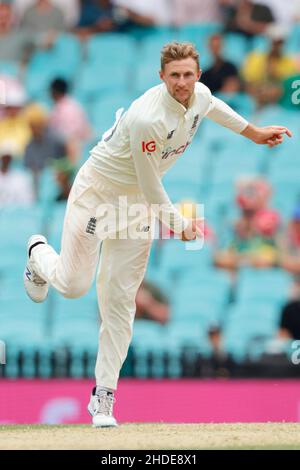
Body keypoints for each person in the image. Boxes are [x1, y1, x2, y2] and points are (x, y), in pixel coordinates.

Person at [23, 41, 292, 428]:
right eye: (174, 76)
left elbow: (213, 106)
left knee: (120, 303)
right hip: (99, 198)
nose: (182, 83)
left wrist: (253, 133)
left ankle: (103, 398)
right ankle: (37, 254)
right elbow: (151, 188)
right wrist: (180, 225)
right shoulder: (147, 118)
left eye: (188, 75)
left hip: (137, 211)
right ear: (161, 76)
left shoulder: (199, 94)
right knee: (74, 285)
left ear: (197, 75)